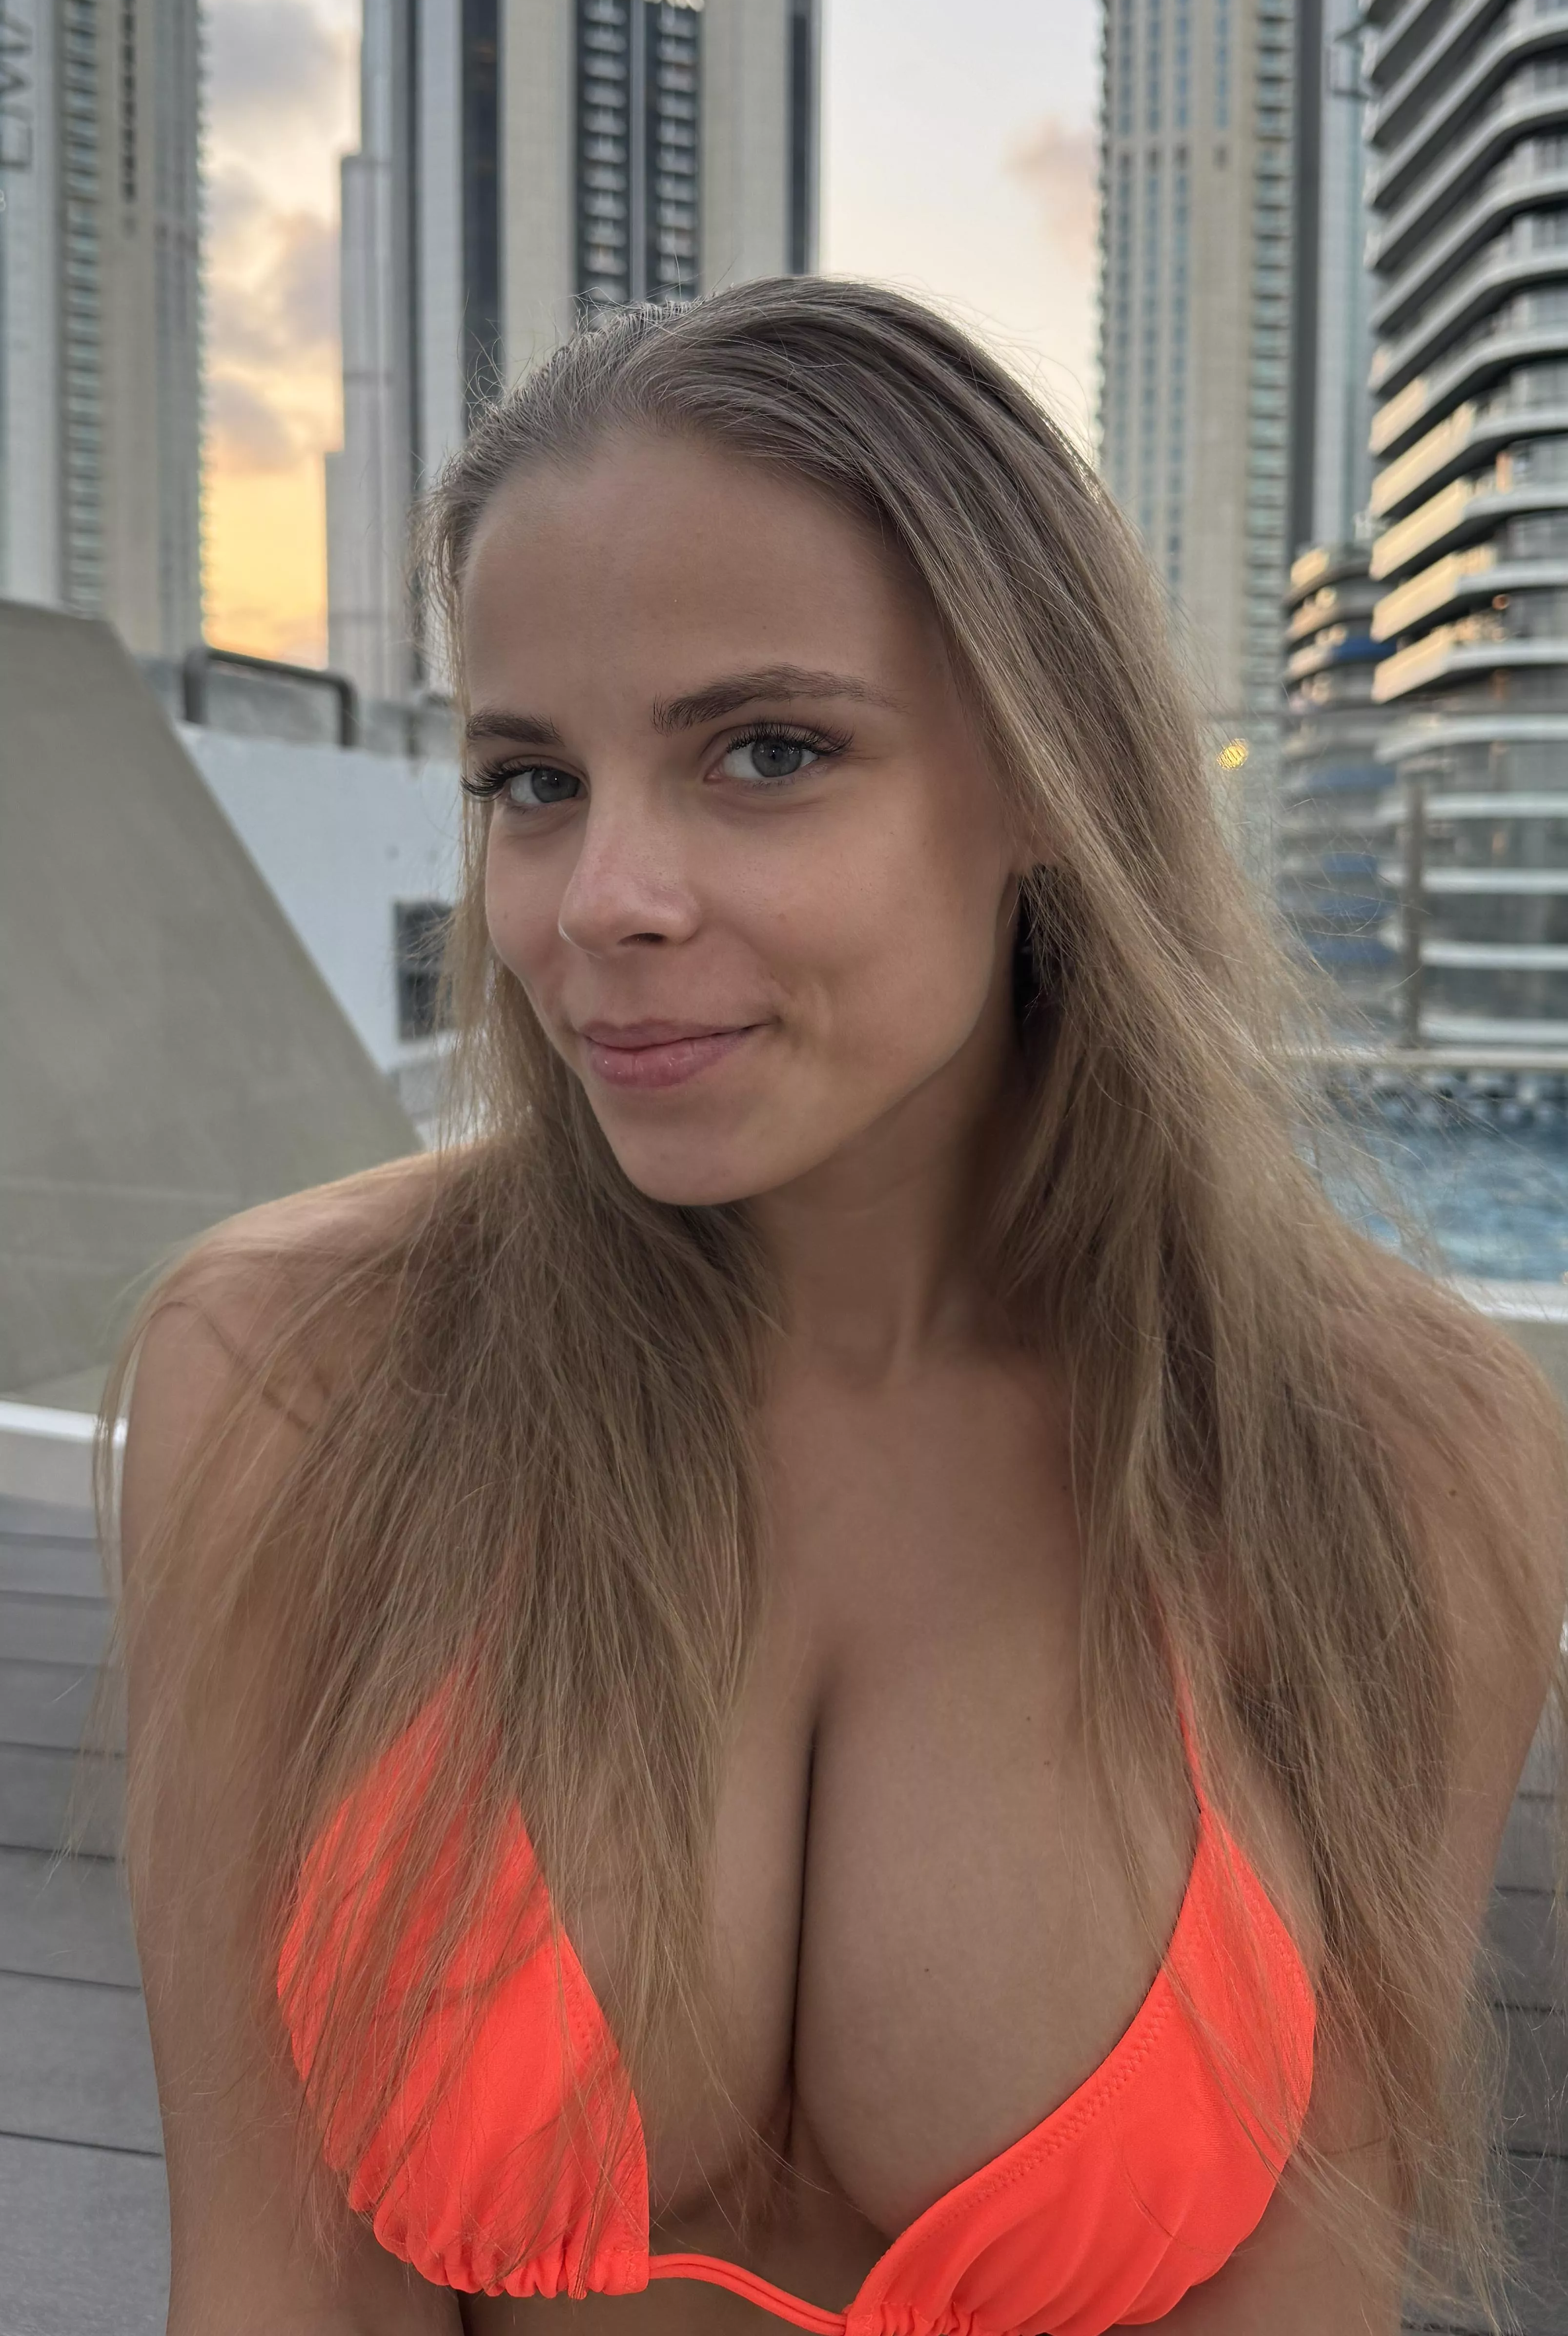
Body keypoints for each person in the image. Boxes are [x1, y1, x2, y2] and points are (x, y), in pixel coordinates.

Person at [119, 280, 1565, 2336]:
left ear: (1046, 783)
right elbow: (271, 2290)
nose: (601, 895)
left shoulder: (1393, 1452)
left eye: (765, 751)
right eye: (530, 779)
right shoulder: (295, 1382)